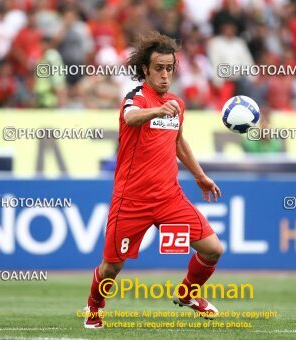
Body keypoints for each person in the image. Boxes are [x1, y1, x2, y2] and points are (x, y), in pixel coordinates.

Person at [84, 31, 223, 329]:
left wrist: (200, 176)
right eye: (158, 68)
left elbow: (178, 143)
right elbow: (132, 117)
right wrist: (157, 110)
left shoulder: (177, 104)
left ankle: (187, 295)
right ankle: (94, 307)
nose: (164, 74)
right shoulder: (135, 97)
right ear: (145, 69)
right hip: (131, 199)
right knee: (112, 267)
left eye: (169, 68)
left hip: (169, 197)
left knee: (213, 249)